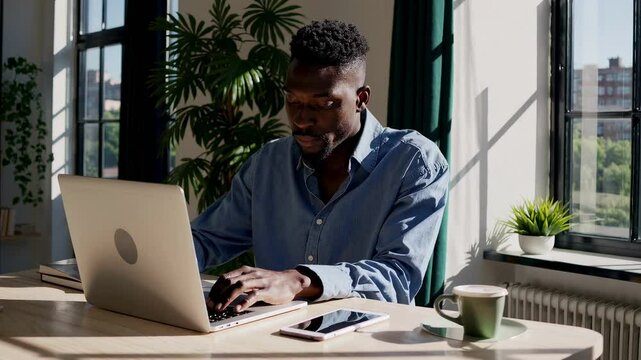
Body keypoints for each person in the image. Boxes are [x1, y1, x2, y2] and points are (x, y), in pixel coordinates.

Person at [191, 19, 449, 313]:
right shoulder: (267, 164)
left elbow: (397, 277)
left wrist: (299, 280)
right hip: (271, 338)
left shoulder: (414, 163)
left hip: (369, 342)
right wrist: (154, 261)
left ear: (360, 99)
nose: (301, 119)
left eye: (322, 103)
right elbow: (208, 238)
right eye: (292, 100)